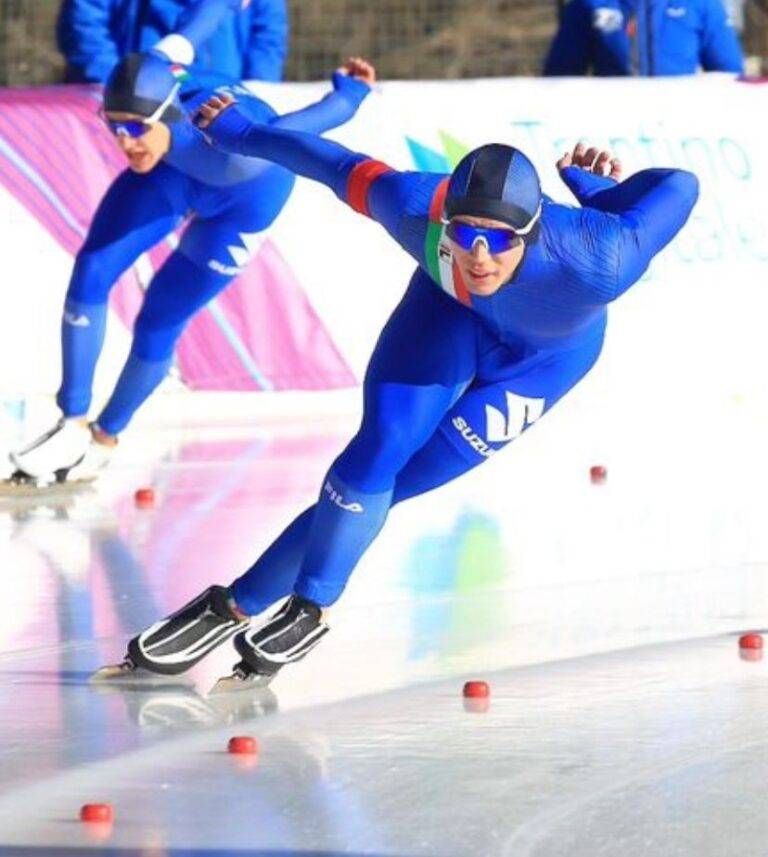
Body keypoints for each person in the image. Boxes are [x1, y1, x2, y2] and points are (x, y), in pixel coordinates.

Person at [95, 98, 698, 688]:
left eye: (501, 240)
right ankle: (300, 608)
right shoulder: (413, 204)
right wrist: (243, 134)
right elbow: (332, 164)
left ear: (533, 230)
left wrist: (604, 199)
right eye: (466, 234)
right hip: (446, 314)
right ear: (446, 219)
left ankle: (239, 602)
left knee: (399, 484)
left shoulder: (603, 255)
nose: (481, 256)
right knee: (377, 455)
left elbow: (681, 183)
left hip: (539, 364)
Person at [9, 41, 375, 487]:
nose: (125, 142)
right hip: (173, 172)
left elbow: (315, 124)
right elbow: (190, 31)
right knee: (92, 270)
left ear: (166, 113)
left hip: (247, 196)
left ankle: (104, 441)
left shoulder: (239, 154)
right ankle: (71, 422)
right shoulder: (155, 76)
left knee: (159, 318)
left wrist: (352, 91)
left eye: (137, 128)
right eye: (115, 126)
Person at [57, 0, 288, 84]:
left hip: (221, 99)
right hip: (137, 102)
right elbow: (83, 25)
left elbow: (269, 32)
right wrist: (115, 86)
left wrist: (258, 89)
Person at [543, 0, 744, 76]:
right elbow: (559, 79)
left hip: (683, 137)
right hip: (613, 139)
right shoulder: (587, 5)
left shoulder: (702, 5)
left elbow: (730, 78)